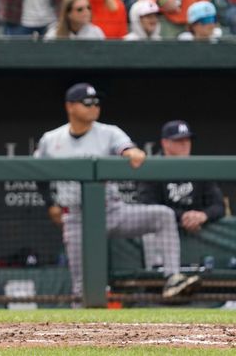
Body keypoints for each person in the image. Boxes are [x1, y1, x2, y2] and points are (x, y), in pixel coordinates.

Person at [35, 83, 201, 300]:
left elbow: (127, 149)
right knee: (81, 288)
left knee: (163, 216)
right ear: (70, 107)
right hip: (76, 217)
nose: (94, 107)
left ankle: (172, 277)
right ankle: (80, 332)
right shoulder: (51, 139)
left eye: (97, 102)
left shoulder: (109, 132)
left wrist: (131, 152)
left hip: (113, 211)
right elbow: (37, 172)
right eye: (88, 103)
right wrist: (51, 205)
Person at [138, 120, 225, 243]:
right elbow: (147, 206)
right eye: (179, 140)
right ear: (165, 143)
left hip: (198, 236)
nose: (185, 144)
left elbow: (219, 206)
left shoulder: (200, 168)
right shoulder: (153, 168)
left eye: (187, 140)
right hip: (161, 237)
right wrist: (182, 216)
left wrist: (203, 215)